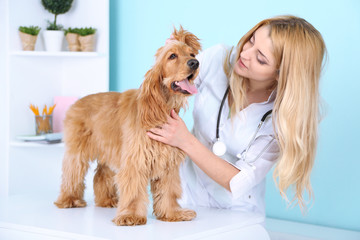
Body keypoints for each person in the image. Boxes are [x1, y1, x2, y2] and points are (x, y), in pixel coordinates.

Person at [147, 15, 327, 217]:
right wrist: (170, 60)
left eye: (261, 58)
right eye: (251, 40)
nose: (245, 54)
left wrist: (185, 141)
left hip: (235, 212)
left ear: (280, 74)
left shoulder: (281, 119)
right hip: (183, 196)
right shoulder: (218, 58)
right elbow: (166, 95)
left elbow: (237, 182)